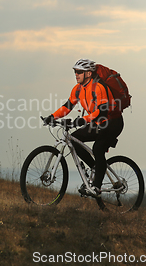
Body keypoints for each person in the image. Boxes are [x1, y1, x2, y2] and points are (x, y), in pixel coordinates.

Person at [43, 58, 124, 204]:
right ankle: (96, 169)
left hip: (112, 123)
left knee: (98, 148)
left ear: (88, 73)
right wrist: (52, 117)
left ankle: (97, 188)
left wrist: (83, 120)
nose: (76, 74)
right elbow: (67, 106)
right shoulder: (78, 89)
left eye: (79, 72)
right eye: (75, 71)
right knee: (74, 139)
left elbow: (102, 112)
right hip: (97, 122)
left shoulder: (98, 87)